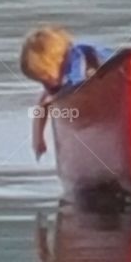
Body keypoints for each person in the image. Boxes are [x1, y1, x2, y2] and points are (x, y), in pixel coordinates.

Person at [20, 25, 115, 160]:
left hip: (112, 81)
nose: (45, 86)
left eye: (46, 79)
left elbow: (78, 86)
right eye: (41, 82)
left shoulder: (80, 60)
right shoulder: (60, 73)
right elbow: (43, 102)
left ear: (61, 62)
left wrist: (57, 97)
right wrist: (38, 139)